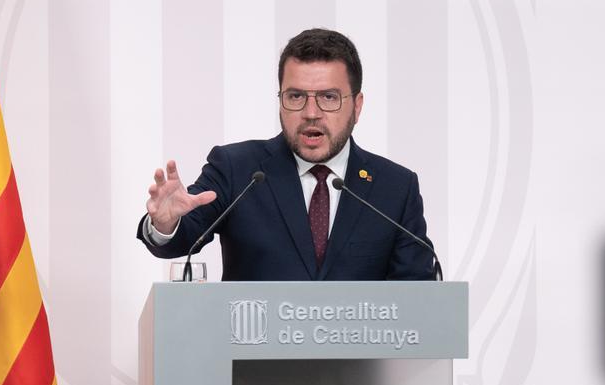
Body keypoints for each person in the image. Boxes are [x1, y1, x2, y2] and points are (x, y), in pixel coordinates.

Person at [137, 28, 436, 280]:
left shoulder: (395, 188)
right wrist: (166, 224)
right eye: (296, 96)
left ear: (356, 106)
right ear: (280, 99)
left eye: (328, 97)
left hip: (364, 352)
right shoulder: (238, 170)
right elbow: (182, 237)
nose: (310, 113)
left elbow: (416, 300)